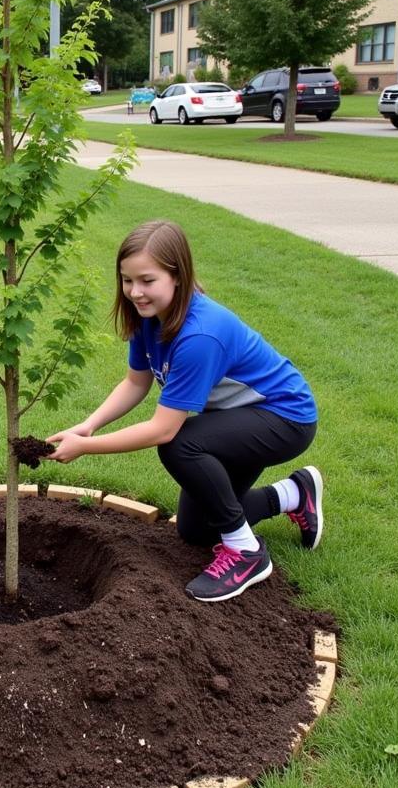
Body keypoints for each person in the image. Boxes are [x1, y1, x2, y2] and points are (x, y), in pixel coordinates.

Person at [46, 220, 323, 603]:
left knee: (179, 445)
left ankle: (246, 552)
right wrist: (89, 425)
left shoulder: (199, 336)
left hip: (285, 417)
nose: (135, 292)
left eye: (147, 280)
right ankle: (294, 494)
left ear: (177, 275)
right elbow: (135, 383)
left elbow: (162, 430)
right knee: (197, 530)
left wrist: (84, 448)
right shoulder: (149, 318)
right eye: (127, 281)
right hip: (238, 417)